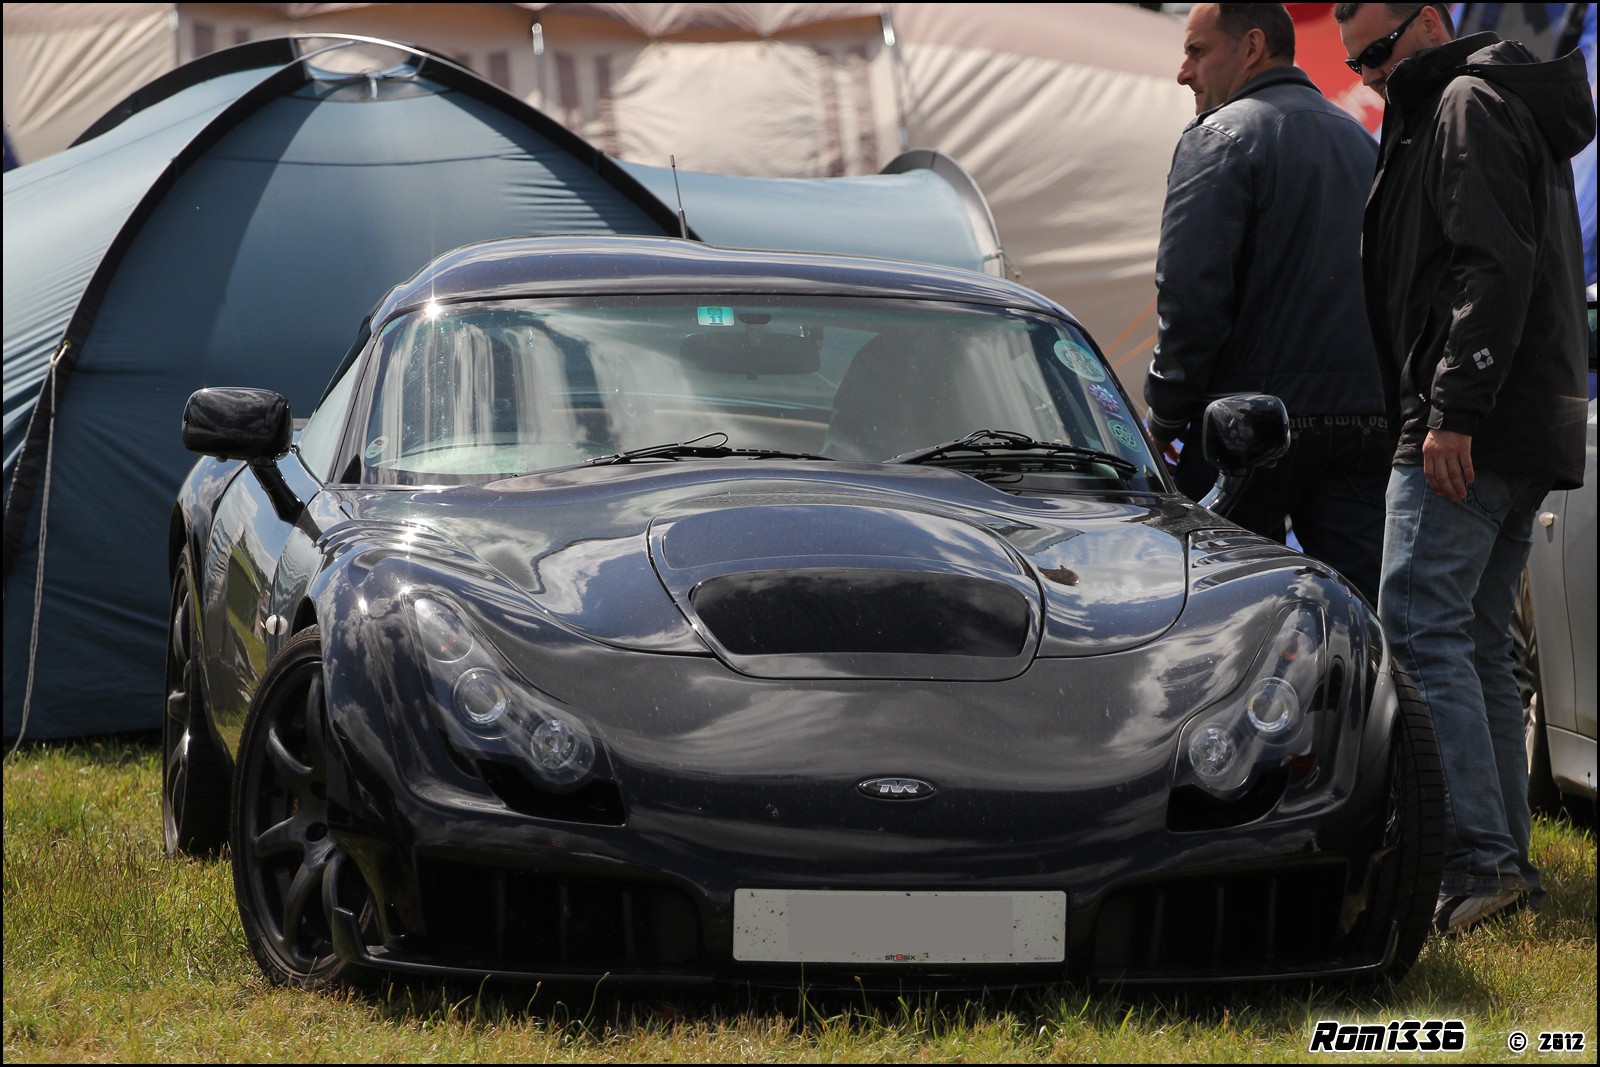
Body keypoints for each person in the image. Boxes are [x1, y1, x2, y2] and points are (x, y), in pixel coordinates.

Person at [1332, 2, 1594, 935]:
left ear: (1430, 22)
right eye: (1357, 64)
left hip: (1471, 427)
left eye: (1377, 51)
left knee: (1417, 624)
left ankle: (1477, 858)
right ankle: (1501, 861)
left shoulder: (1465, 103)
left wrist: (1452, 412)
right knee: (1474, 636)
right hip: (1514, 425)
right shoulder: (1492, 97)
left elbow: (1490, 270)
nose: (1371, 74)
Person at [1144, 3, 1392, 606]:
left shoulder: (1220, 136)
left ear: (1251, 46)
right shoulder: (1362, 142)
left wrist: (1164, 418)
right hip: (1367, 422)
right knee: (1361, 621)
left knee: (1221, 619)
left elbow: (1190, 297)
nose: (1183, 71)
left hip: (1248, 428)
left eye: (1197, 51)